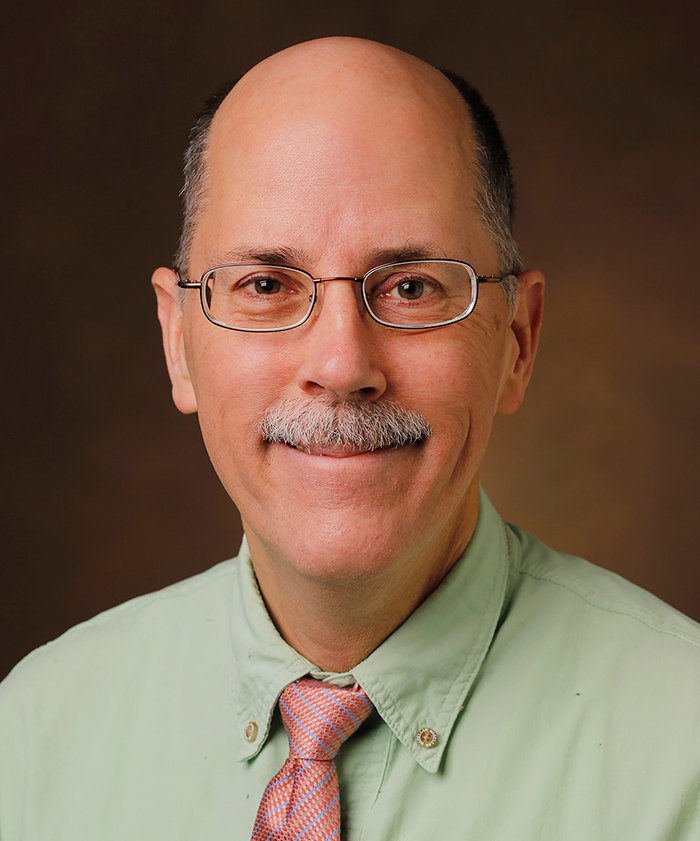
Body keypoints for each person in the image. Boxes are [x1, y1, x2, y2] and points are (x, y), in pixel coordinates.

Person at [1, 37, 699, 841]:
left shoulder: (683, 752)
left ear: (517, 340)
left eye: (410, 286)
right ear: (177, 340)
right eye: (265, 284)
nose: (341, 364)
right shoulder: (34, 741)